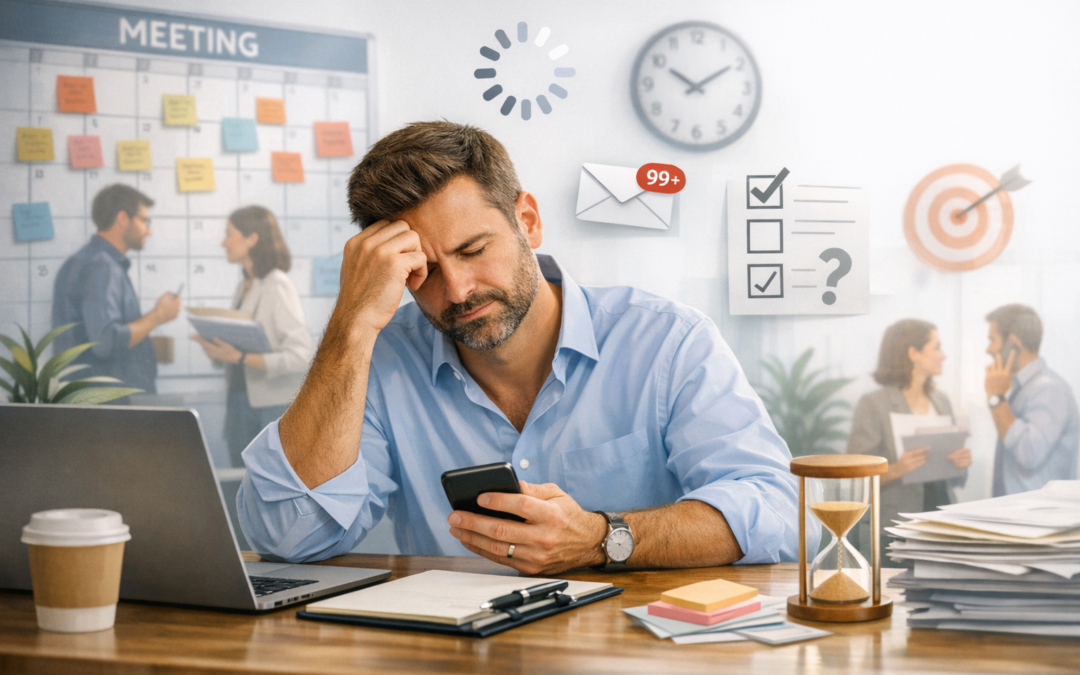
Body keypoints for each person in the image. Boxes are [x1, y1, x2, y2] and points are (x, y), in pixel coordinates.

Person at [237, 121, 802, 574]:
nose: (457, 290)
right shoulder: (379, 361)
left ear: (527, 221)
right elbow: (289, 535)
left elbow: (775, 510)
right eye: (424, 270)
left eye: (474, 249)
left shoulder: (667, 341)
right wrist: (351, 324)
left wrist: (606, 538)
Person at [191, 206, 312, 469]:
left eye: (229, 234)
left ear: (252, 238)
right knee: (239, 483)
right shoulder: (244, 286)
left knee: (265, 488)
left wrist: (241, 356)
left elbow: (301, 356)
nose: (223, 242)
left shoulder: (277, 284)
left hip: (270, 409)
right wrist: (219, 353)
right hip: (239, 402)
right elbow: (238, 348)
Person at [847, 319, 971, 558]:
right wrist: (897, 469)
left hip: (941, 524)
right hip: (895, 527)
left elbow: (956, 481)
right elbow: (855, 478)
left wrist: (960, 463)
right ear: (913, 353)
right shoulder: (874, 404)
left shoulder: (941, 400)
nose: (943, 355)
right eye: (936, 348)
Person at [52, 184, 181, 396]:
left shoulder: (86, 261)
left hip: (95, 404)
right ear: (122, 219)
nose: (149, 231)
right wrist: (158, 316)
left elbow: (90, 336)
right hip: (110, 407)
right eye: (144, 221)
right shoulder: (101, 267)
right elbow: (106, 341)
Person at [985, 304, 1079, 496]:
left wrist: (996, 398)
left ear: (1013, 342)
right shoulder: (1024, 388)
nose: (988, 349)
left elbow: (1029, 453)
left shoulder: (1049, 388)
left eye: (992, 340)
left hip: (1041, 518)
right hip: (1020, 515)